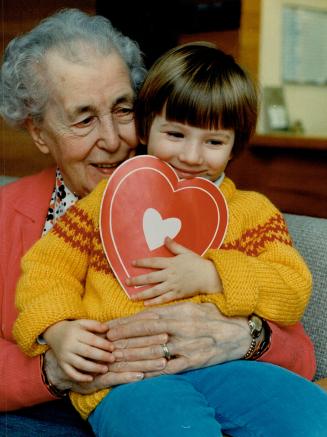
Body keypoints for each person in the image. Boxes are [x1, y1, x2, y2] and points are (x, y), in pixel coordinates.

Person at [0, 7, 318, 436]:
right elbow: (46, 271)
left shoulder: (242, 210)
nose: (113, 141)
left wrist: (224, 293)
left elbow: (293, 317)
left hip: (221, 377)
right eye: (84, 118)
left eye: (123, 109)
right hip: (105, 398)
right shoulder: (79, 211)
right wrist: (57, 343)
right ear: (38, 131)